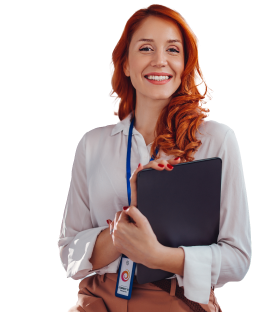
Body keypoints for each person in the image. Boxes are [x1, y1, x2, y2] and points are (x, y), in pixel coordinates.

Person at [59, 4, 251, 312]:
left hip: (177, 299)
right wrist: (120, 234)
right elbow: (69, 253)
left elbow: (237, 259)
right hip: (98, 299)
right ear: (125, 64)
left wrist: (157, 256)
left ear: (185, 63)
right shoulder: (92, 145)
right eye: (146, 48)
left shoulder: (217, 141)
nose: (159, 61)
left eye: (172, 50)